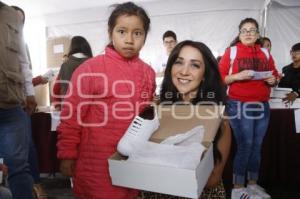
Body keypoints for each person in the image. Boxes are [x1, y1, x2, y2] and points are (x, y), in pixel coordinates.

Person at [56, 2, 156, 199]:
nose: (129, 39)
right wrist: (67, 154)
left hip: (133, 160)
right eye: (122, 31)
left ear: (145, 36)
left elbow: (146, 116)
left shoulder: (148, 73)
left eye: (137, 33)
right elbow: (72, 115)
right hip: (96, 163)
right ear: (111, 32)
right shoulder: (90, 69)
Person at [138, 40, 231, 199]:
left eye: (194, 65)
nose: (184, 71)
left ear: (205, 75)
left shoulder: (219, 122)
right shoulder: (156, 110)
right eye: (179, 63)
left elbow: (213, 179)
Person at [219, 18, 279, 199]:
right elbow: (221, 77)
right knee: (246, 145)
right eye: (244, 30)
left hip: (262, 104)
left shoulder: (265, 53)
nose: (248, 33)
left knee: (257, 145)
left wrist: (273, 80)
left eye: (252, 30)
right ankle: (237, 188)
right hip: (239, 104)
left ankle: (252, 184)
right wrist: (237, 76)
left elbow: (274, 74)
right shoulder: (232, 51)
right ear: (239, 34)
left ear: (258, 34)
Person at [0, 2, 34, 199]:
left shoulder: (12, 15)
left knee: (19, 168)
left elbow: (23, 60)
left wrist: (29, 93)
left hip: (11, 105)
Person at [51, 36, 93, 110]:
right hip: (90, 109)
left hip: (69, 109)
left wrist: (57, 105)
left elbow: (56, 88)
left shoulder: (65, 65)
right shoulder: (94, 63)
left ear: (71, 47)